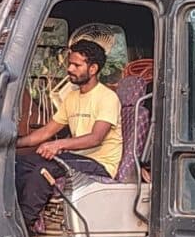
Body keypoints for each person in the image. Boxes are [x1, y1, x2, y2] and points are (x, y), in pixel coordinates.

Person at [16, 38, 123, 222]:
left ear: (93, 69)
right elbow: (45, 132)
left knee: (43, 170)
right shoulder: (72, 97)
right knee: (19, 164)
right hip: (76, 158)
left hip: (99, 163)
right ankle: (14, 218)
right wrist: (11, 143)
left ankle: (27, 224)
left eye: (76, 65)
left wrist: (59, 144)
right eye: (70, 64)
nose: (70, 69)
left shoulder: (107, 98)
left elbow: (95, 138)